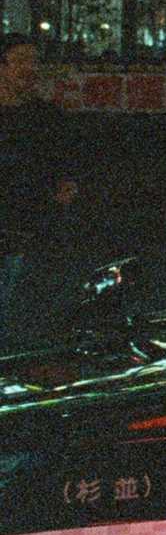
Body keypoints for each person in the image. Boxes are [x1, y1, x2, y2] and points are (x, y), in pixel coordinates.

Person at [0, 35, 78, 336]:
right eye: (20, 60)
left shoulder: (47, 117)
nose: (29, 68)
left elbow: (68, 168)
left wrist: (67, 189)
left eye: (34, 61)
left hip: (34, 233)